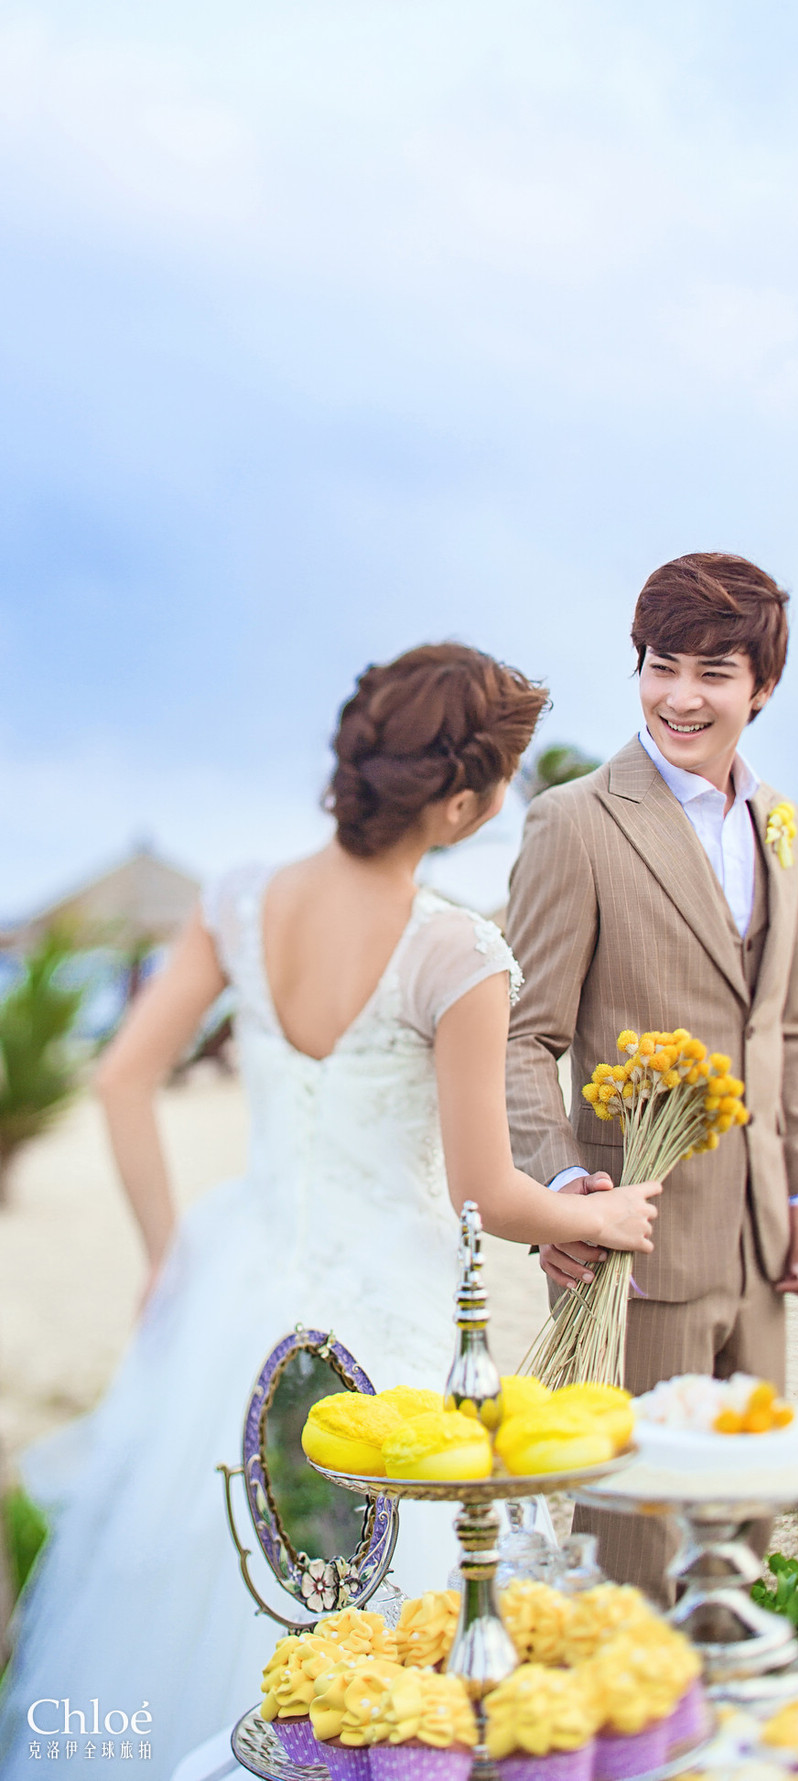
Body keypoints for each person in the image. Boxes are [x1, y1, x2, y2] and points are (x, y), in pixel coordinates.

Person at [0, 644, 661, 1780]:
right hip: (388, 1317)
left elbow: (120, 1079)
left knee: (198, 1569)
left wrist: (164, 1255)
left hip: (234, 1286)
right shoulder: (458, 949)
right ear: (460, 803)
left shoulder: (236, 900)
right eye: (500, 775)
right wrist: (603, 1216)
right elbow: (486, 1194)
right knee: (403, 1599)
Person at [504, 553, 798, 1602]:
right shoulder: (574, 821)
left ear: (762, 687)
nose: (681, 696)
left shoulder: (783, 824)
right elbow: (523, 1038)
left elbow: (785, 1028)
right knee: (636, 1563)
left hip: (764, 1249)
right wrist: (562, 1194)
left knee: (741, 1542)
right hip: (635, 1252)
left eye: (714, 672)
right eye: (661, 665)